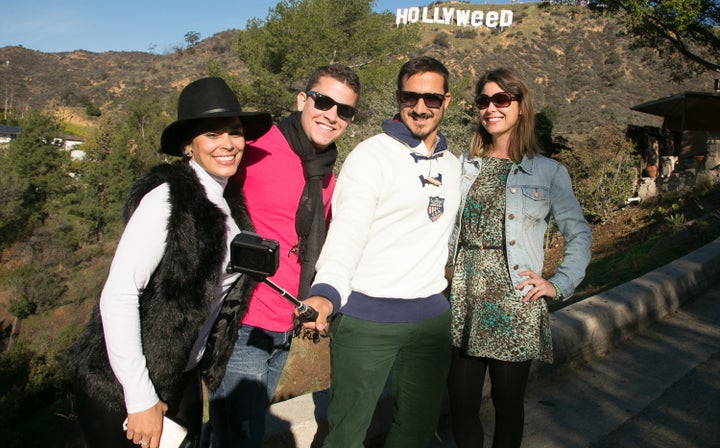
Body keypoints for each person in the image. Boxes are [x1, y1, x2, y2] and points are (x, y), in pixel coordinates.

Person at [64, 77, 272, 448]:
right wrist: (140, 398)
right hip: (121, 386)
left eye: (236, 133)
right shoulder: (168, 199)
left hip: (180, 374)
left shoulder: (227, 200)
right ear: (187, 146)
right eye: (212, 133)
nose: (228, 144)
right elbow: (119, 294)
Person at [302, 56, 461, 447]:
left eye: (432, 99)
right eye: (411, 96)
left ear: (447, 101)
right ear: (398, 97)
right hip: (366, 320)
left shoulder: (453, 165)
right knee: (346, 433)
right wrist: (325, 293)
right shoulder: (370, 157)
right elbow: (346, 234)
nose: (420, 107)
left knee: (417, 430)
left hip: (430, 320)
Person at [205, 64, 361, 448]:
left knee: (234, 429)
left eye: (344, 110)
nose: (332, 115)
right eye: (324, 101)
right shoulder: (255, 149)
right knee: (241, 437)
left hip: (285, 323)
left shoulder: (325, 170)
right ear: (302, 99)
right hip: (240, 323)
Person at [446, 67, 592, 448]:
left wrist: (558, 284)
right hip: (463, 296)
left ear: (520, 107)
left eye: (501, 99)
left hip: (514, 300)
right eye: (483, 101)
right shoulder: (462, 167)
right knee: (460, 406)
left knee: (507, 405)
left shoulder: (548, 172)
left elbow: (578, 232)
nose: (491, 108)